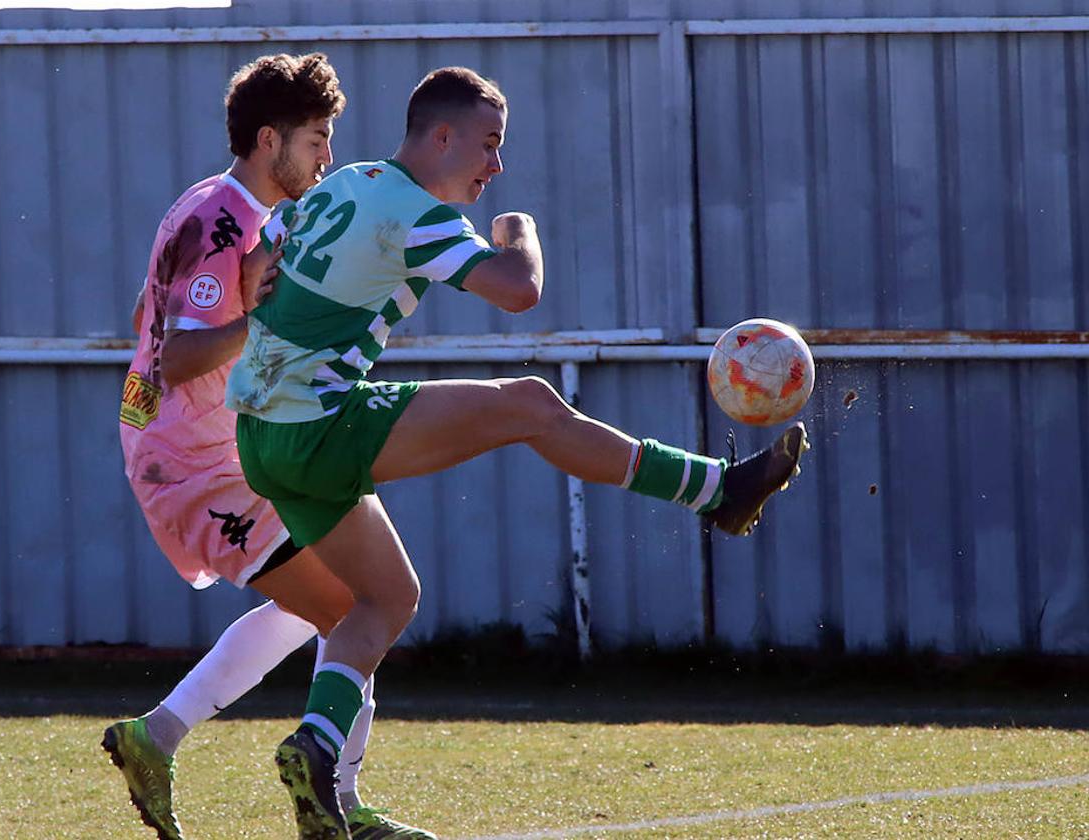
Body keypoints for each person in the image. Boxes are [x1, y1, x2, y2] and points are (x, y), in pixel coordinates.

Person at [227, 65, 809, 840]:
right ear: (441, 136)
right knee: (531, 404)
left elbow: (258, 255)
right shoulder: (413, 207)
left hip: (259, 435)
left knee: (387, 599)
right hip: (316, 423)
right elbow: (518, 290)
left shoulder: (349, 182)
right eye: (489, 144)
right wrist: (520, 232)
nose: (495, 166)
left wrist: (263, 283)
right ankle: (718, 492)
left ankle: (318, 752)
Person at [103, 53, 435, 840]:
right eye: (317, 140)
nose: (326, 159)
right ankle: (337, 809)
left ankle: (162, 738)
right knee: (359, 606)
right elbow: (178, 359)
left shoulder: (220, 209)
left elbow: (148, 325)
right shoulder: (225, 220)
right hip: (196, 465)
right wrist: (262, 320)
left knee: (346, 603)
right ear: (267, 140)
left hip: (229, 446)